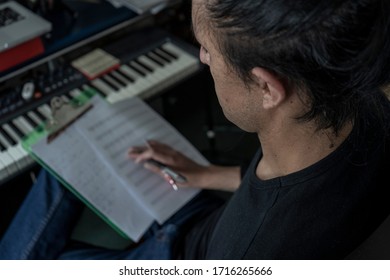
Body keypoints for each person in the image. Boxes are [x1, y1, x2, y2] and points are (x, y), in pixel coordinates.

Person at [1, 0, 390, 259]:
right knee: (74, 138)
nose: (202, 58)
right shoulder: (364, 98)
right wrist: (207, 174)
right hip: (208, 220)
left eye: (206, 47)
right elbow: (301, 191)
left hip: (178, 255)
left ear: (267, 87)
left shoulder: (252, 251)